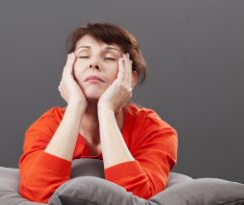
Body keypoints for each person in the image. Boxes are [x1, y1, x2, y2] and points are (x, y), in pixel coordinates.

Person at [18, 22, 178, 203]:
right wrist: (75, 105)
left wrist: (106, 110)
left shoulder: (155, 131)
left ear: (130, 78)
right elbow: (37, 194)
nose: (94, 63)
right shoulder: (46, 126)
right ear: (69, 71)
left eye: (109, 58)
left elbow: (136, 199)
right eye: (84, 56)